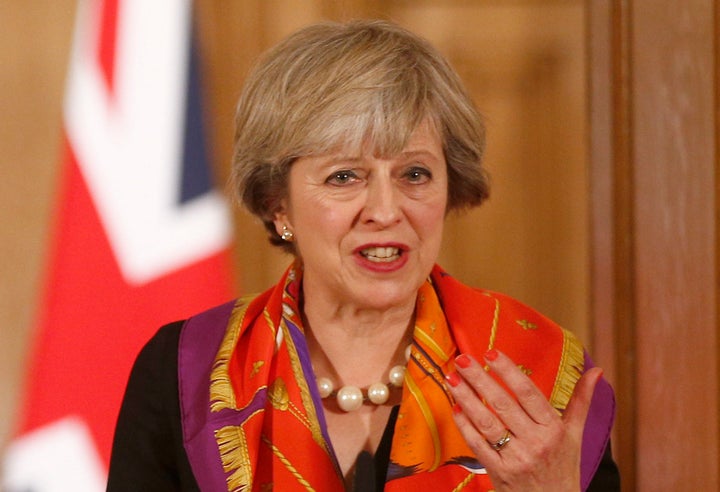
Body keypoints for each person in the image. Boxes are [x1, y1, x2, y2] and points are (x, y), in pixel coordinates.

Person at [107, 20, 619, 491]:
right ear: (276, 203)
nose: (385, 210)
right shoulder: (185, 373)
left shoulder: (535, 369)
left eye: (414, 174)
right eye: (344, 177)